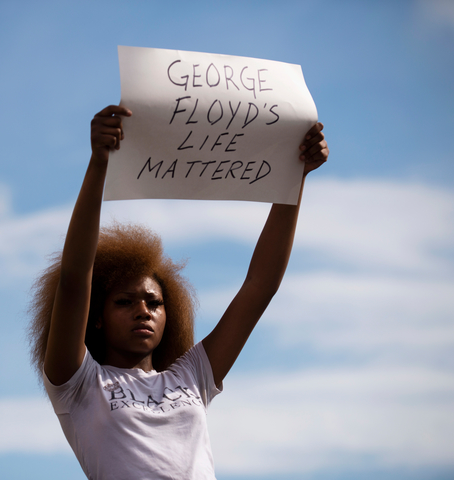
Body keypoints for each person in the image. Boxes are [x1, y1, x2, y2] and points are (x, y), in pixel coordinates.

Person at [29, 105, 329, 479]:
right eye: (125, 302)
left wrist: (294, 174)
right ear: (97, 319)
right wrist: (99, 164)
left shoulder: (192, 376)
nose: (144, 311)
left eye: (154, 302)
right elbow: (76, 279)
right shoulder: (79, 384)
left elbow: (259, 286)